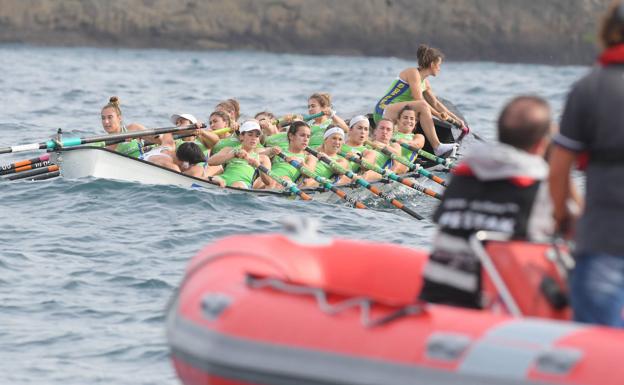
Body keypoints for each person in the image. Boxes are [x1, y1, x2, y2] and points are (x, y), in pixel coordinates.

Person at [421, 96, 554, 309]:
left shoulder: (466, 172)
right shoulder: (539, 185)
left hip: (434, 295)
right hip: (484, 307)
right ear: (542, 143)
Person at [549, 1, 624, 328]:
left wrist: (563, 215)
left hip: (603, 237)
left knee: (597, 345)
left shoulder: (589, 87)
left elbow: (559, 166)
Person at [372, 45, 460, 156]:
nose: (439, 68)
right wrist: (438, 115)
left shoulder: (426, 83)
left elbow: (436, 103)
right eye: (439, 65)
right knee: (422, 105)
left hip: (399, 114)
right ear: (432, 64)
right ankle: (437, 147)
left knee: (422, 107)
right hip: (383, 111)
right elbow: (419, 100)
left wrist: (457, 120)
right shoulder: (413, 73)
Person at [208, 120, 273, 189]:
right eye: (250, 135)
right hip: (223, 180)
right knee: (212, 179)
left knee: (237, 185)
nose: (254, 138)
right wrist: (233, 155)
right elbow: (210, 162)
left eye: (257, 136)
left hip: (242, 184)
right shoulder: (229, 150)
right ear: (241, 136)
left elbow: (268, 182)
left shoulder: (262, 158)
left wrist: (258, 165)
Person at [262, 120, 317, 189]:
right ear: (291, 136)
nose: (306, 139)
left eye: (308, 136)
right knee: (262, 181)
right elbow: (258, 157)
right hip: (268, 179)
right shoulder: (279, 150)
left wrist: (300, 162)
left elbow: (310, 174)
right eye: (302, 135)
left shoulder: (309, 157)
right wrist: (270, 151)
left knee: (283, 179)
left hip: (285, 181)